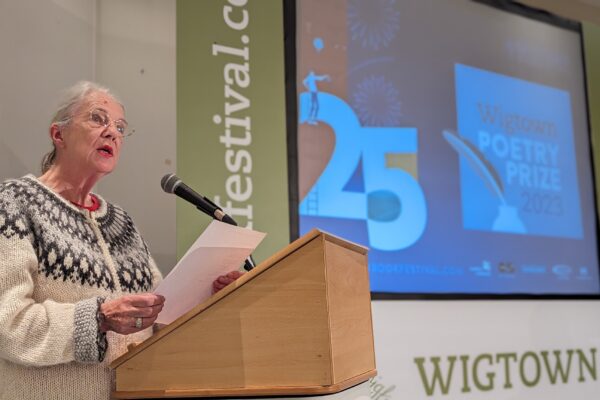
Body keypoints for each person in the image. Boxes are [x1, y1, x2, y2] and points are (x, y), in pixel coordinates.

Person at [0, 81, 241, 399]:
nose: (112, 132)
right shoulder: (14, 201)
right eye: (97, 118)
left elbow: (157, 321)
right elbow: (9, 324)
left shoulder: (122, 222)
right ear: (58, 134)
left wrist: (207, 297)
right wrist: (98, 318)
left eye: (120, 127)